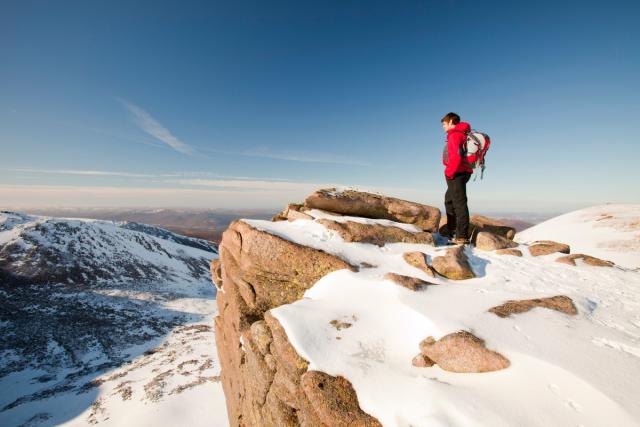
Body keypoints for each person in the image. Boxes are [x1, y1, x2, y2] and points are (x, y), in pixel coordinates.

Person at [441, 112, 473, 245]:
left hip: (456, 173)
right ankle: (453, 230)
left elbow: (457, 156)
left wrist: (449, 172)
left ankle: (461, 236)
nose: (443, 126)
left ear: (450, 122)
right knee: (449, 201)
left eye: (444, 124)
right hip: (463, 172)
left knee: (459, 203)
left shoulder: (455, 135)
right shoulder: (463, 133)